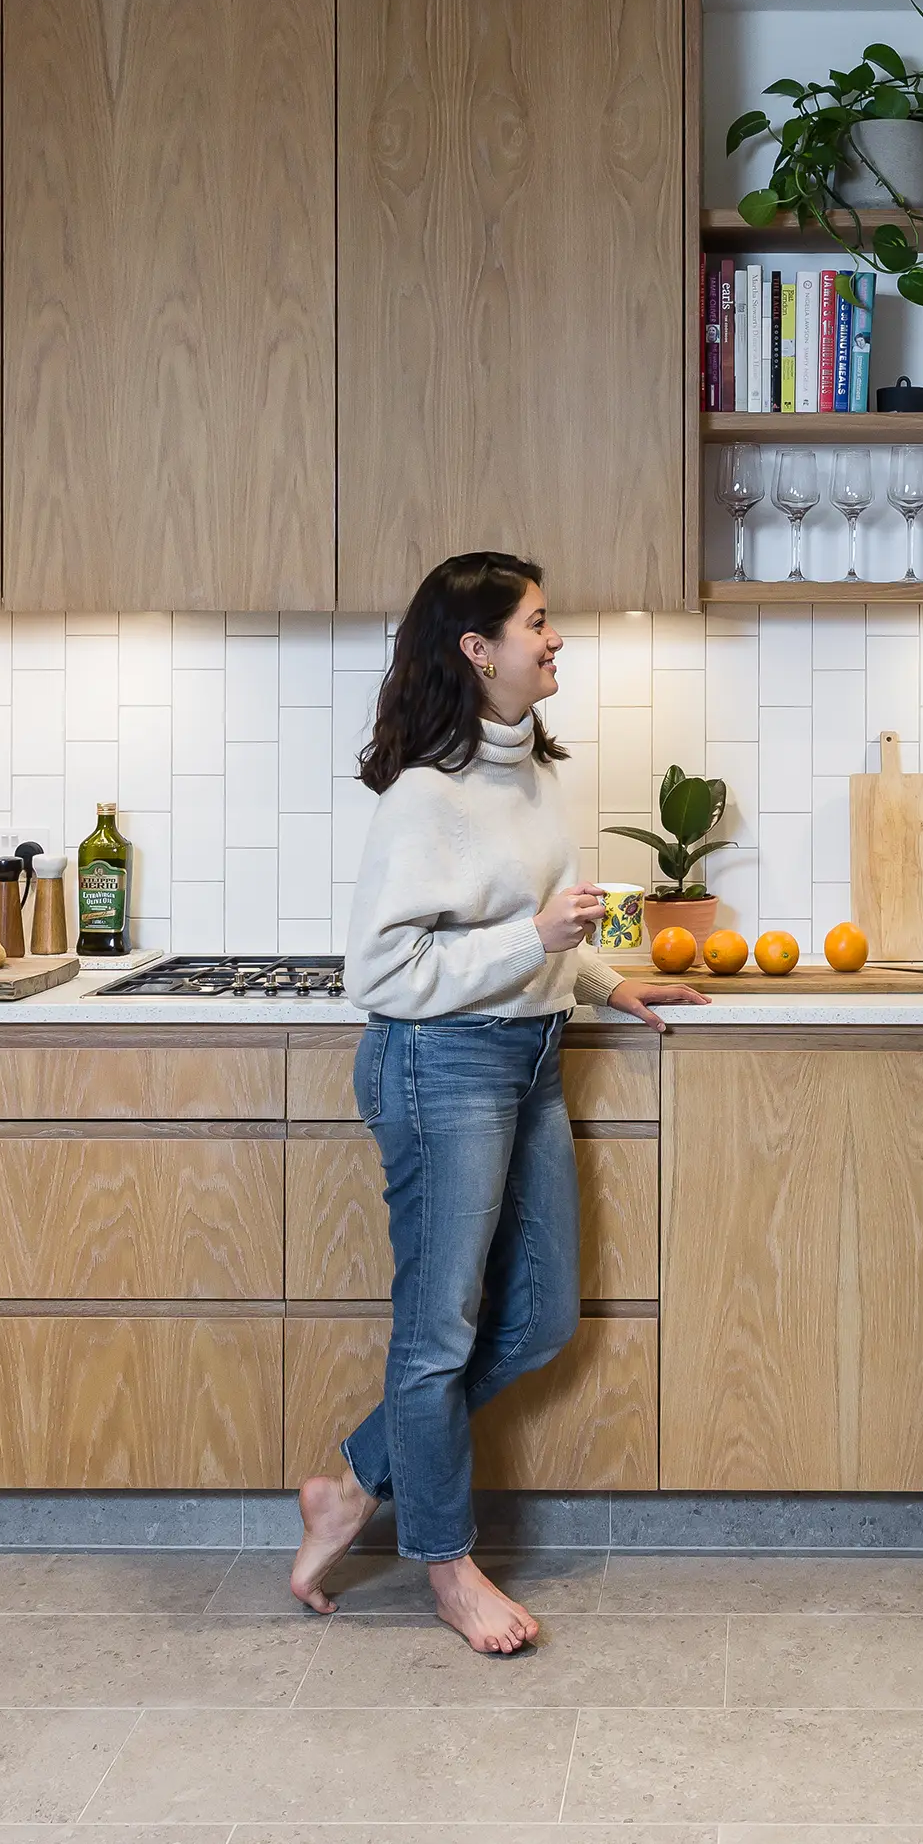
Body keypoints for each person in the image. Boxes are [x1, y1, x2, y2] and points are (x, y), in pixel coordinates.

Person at [292, 552, 707, 1647]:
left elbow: (530, 932)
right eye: (536, 622)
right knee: (436, 1335)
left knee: (540, 1316)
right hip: (439, 1066)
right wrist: (537, 939)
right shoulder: (426, 795)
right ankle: (445, 1565)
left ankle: (351, 1485)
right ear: (477, 651)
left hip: (525, 1058)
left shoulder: (531, 774)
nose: (553, 637)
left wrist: (606, 977)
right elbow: (381, 975)